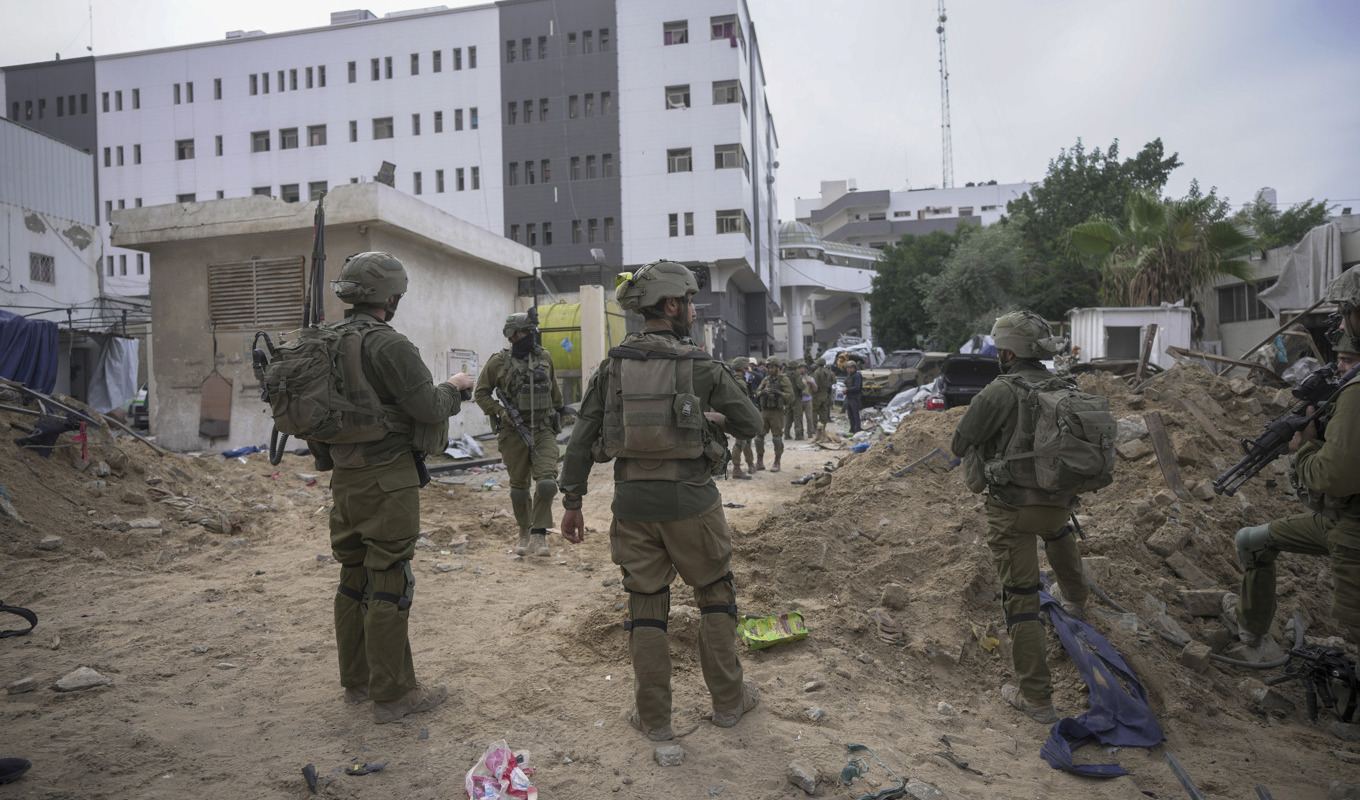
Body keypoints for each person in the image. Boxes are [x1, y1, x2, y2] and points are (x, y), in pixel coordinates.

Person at [559, 260, 763, 741]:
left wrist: (572, 499)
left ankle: (654, 719)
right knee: (714, 594)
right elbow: (752, 423)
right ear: (671, 305)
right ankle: (730, 704)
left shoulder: (612, 367)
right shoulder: (702, 365)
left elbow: (583, 437)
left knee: (645, 606)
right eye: (689, 301)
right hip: (693, 504)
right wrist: (710, 417)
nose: (692, 309)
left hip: (632, 507)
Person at [312, 252, 475, 724]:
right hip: (387, 478)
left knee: (353, 578)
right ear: (390, 296)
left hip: (344, 477)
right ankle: (393, 695)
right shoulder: (388, 345)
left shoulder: (322, 342)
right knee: (389, 581)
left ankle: (358, 682)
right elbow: (426, 406)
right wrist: (455, 386)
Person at [949, 310, 1088, 725]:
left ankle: (1037, 699)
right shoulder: (1064, 384)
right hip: (1058, 501)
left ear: (1007, 351)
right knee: (1060, 533)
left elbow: (959, 443)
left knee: (1022, 598)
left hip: (1013, 510)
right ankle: (1077, 601)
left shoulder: (998, 392)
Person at [1231, 274, 1360, 673]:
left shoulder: (1356, 393)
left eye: (1345, 312)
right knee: (1252, 541)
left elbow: (1332, 477)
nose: (1340, 323)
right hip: (1338, 519)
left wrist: (1303, 445)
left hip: (1352, 528)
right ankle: (1251, 635)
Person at [474, 311, 564, 557]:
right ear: (512, 336)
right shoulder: (498, 362)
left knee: (546, 484)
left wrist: (562, 414)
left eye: (532, 331)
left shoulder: (544, 357)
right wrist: (501, 412)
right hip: (513, 432)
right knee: (519, 489)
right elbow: (480, 394)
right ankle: (524, 531)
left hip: (543, 429)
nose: (530, 336)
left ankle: (539, 535)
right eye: (526, 332)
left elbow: (554, 390)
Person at [755, 358, 795, 473]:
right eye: (769, 367)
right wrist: (762, 393)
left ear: (778, 368)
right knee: (758, 437)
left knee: (777, 438)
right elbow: (756, 393)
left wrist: (778, 393)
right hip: (764, 412)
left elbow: (791, 396)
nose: (771, 370)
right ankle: (759, 461)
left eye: (773, 367)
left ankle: (777, 462)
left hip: (777, 413)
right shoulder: (766, 379)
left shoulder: (784, 379)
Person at [727, 357, 755, 479]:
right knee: (740, 442)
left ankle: (750, 464)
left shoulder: (732, 379)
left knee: (746, 440)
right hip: (741, 415)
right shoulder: (741, 382)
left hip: (735, 414)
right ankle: (736, 469)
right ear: (743, 368)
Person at [812, 357, 835, 435]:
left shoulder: (817, 372)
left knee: (814, 411)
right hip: (826, 394)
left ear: (818, 364)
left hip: (817, 394)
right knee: (824, 411)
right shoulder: (829, 372)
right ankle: (823, 427)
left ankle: (815, 427)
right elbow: (833, 381)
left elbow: (815, 384)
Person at [843, 360, 863, 434]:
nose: (848, 369)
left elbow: (857, 387)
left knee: (855, 414)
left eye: (850, 368)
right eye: (847, 368)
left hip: (855, 398)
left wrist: (847, 390)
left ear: (854, 368)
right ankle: (852, 429)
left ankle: (857, 429)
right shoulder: (849, 376)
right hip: (849, 397)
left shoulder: (857, 376)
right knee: (850, 415)